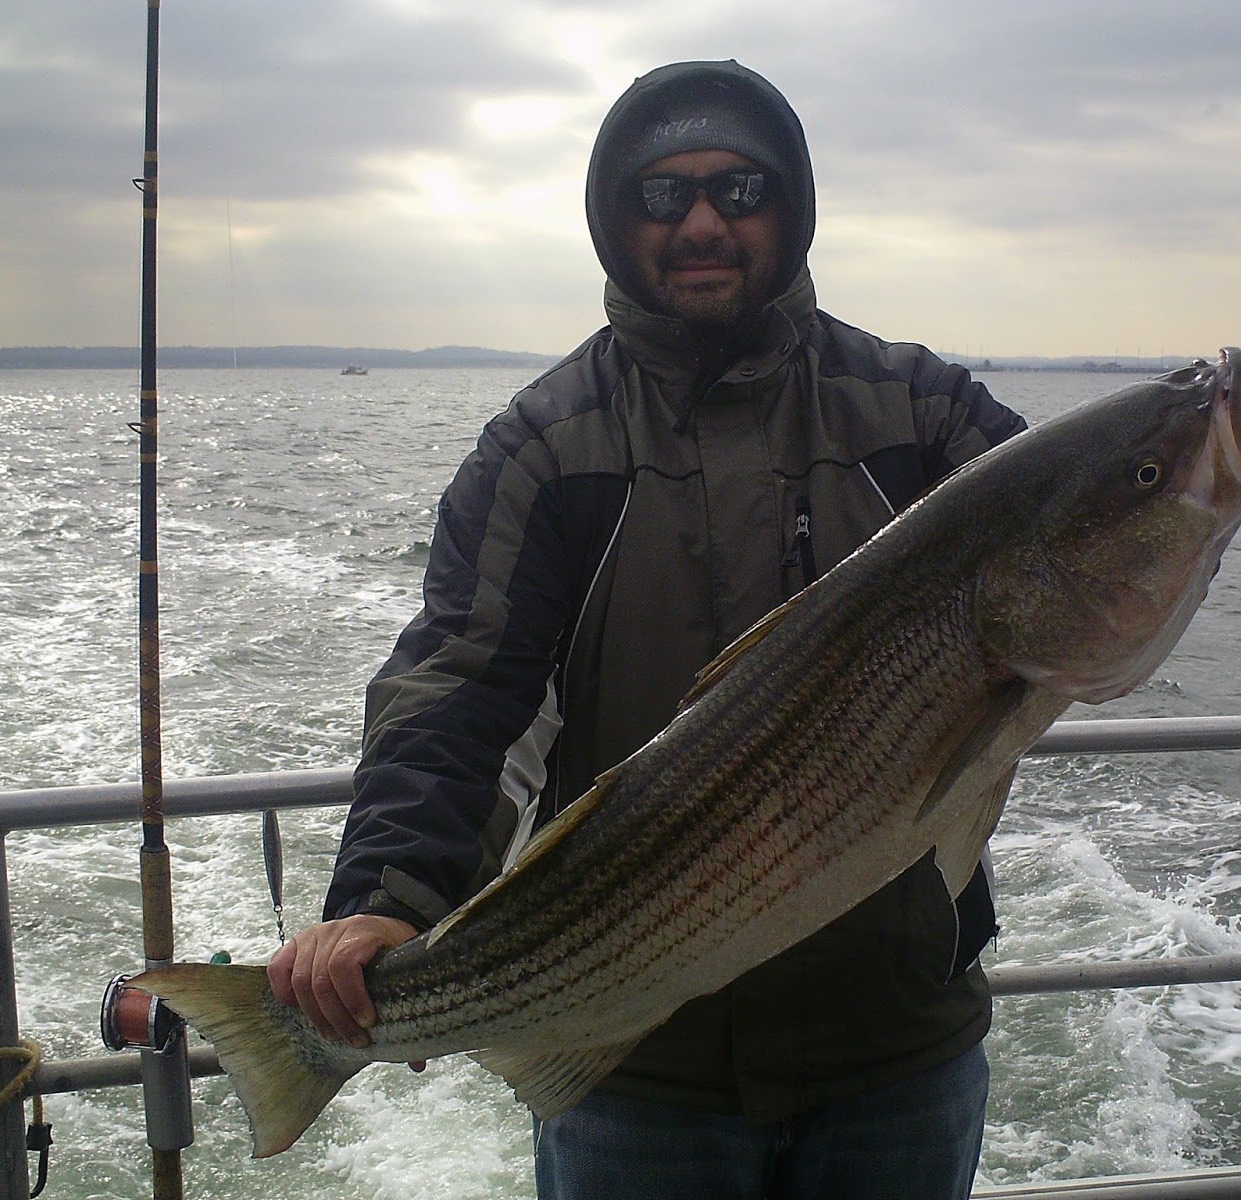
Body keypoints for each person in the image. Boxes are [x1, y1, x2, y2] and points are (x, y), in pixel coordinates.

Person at [269, 59, 1027, 1199]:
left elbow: (1079, 547)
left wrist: (1191, 504)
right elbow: (461, 691)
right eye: (663, 195)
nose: (704, 223)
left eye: (741, 189)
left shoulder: (923, 415)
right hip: (635, 1069)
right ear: (614, 223)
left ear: (793, 207)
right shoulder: (545, 450)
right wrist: (387, 898)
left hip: (897, 1047)